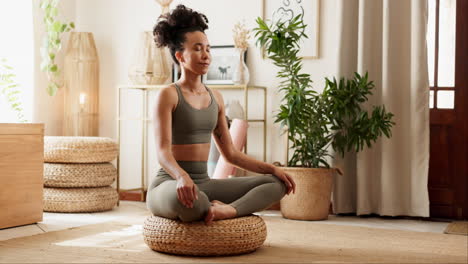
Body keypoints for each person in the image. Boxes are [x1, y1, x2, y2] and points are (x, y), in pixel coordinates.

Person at [146, 4, 296, 225]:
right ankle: (209, 206)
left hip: (205, 184)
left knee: (277, 183)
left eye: (208, 48)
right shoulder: (168, 95)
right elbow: (162, 152)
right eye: (197, 49)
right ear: (180, 56)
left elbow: (231, 155)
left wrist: (273, 168)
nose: (205, 55)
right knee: (196, 202)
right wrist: (182, 177)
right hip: (169, 183)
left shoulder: (216, 98)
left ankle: (228, 211)